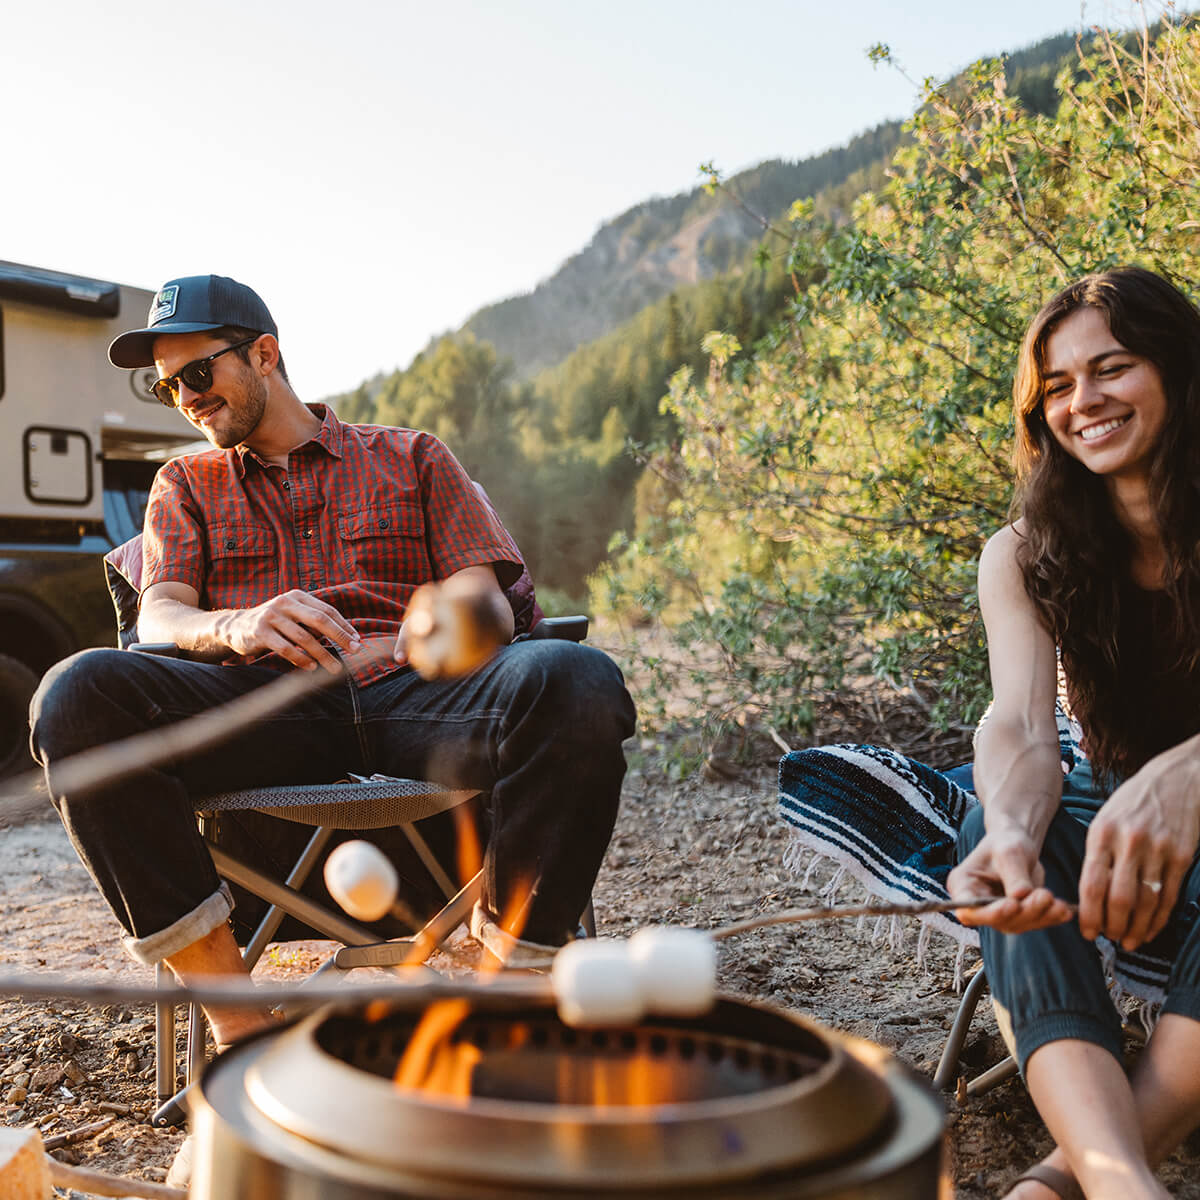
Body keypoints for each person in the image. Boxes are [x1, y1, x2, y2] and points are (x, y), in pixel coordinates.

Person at [29, 274, 637, 1054]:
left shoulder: (411, 455)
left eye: (198, 373)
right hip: (262, 705)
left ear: (265, 354)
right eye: (165, 385)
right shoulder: (185, 482)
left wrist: (444, 620)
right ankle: (241, 1031)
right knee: (74, 697)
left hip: (418, 694)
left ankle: (507, 991)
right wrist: (237, 624)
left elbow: (484, 600)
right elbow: (162, 613)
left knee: (577, 681)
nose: (185, 397)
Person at [947, 266, 1200, 1200]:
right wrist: (1011, 830)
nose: (1082, 402)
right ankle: (1120, 1178)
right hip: (1109, 793)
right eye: (1056, 385)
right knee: (1000, 834)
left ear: (1176, 370)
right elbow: (1018, 721)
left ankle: (1063, 1179)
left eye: (1112, 368)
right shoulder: (1022, 553)